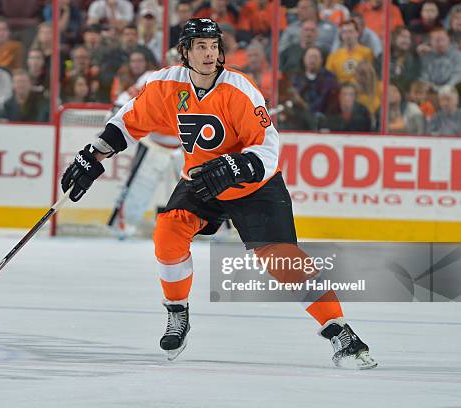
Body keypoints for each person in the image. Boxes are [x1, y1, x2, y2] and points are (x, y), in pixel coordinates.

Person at [60, 18, 377, 368]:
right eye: (201, 47)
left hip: (254, 186)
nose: (210, 54)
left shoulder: (239, 89)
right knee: (168, 231)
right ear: (186, 52)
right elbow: (129, 120)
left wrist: (236, 166)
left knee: (281, 262)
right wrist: (94, 155)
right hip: (203, 181)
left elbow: (269, 148)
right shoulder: (167, 84)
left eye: (214, 47)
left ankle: (340, 331)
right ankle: (177, 312)